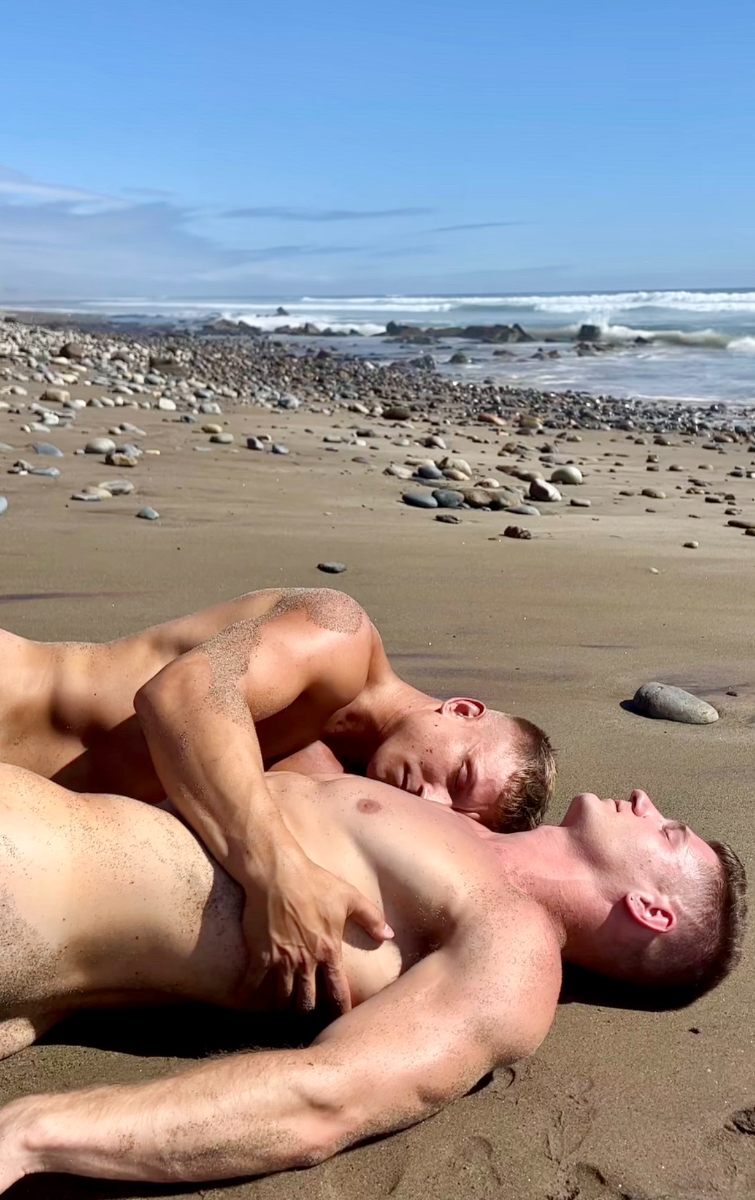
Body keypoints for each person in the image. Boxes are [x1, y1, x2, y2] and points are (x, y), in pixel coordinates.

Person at [0, 764, 745, 1191]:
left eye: (667, 832)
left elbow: (329, 1096)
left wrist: (33, 1133)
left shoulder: (513, 948)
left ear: (650, 910)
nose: (646, 803)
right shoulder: (462, 823)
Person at [0, 586, 555, 1010]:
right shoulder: (340, 637)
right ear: (462, 710)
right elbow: (180, 695)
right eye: (459, 777)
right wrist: (280, 873)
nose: (429, 800)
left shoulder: (329, 784)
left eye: (450, 813)